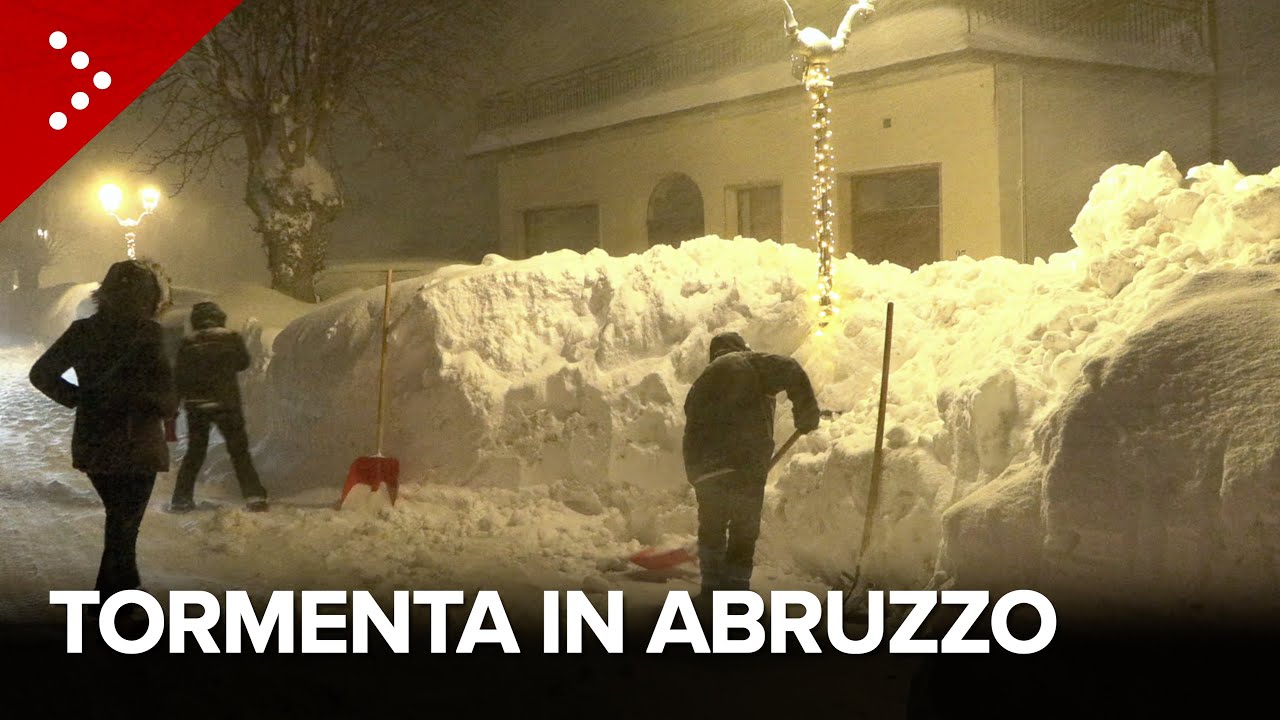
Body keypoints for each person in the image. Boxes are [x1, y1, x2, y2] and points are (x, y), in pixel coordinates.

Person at [29, 259, 179, 616]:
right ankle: (120, 606)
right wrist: (148, 402)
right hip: (137, 442)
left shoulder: (83, 332)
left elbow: (41, 374)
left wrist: (80, 398)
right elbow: (168, 395)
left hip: (95, 443)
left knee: (120, 524)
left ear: (104, 293)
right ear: (150, 296)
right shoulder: (152, 334)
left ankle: (114, 600)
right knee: (123, 529)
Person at [682, 331, 820, 604]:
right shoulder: (749, 362)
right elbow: (791, 368)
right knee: (744, 526)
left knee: (712, 526)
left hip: (702, 469)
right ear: (742, 348)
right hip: (741, 461)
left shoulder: (698, 385)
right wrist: (806, 414)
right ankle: (735, 591)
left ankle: (711, 590)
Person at [168, 301, 268, 512]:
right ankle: (254, 496)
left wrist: (174, 407)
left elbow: (180, 378)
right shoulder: (231, 338)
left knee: (195, 452)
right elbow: (243, 363)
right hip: (227, 403)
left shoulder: (188, 344)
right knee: (239, 452)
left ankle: (181, 498)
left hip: (197, 406)